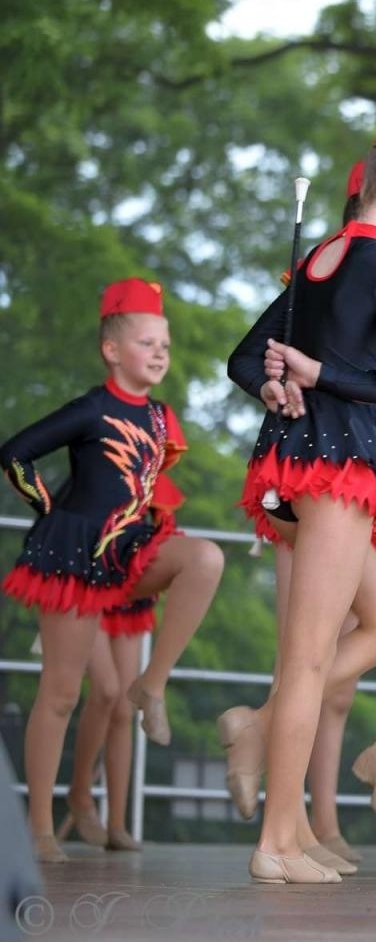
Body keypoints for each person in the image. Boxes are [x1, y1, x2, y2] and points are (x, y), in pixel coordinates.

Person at [225, 107, 376, 883]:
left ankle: (278, 805)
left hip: (294, 460)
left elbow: (242, 359)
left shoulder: (320, 257)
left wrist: (274, 384)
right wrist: (312, 374)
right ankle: (276, 844)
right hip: (340, 466)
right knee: (307, 661)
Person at [2, 278, 220, 864]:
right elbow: (14, 453)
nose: (160, 354)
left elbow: (144, 490)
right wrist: (51, 513)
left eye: (165, 346)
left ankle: (152, 684)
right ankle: (40, 828)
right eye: (147, 343)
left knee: (205, 558)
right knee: (60, 694)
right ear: (112, 350)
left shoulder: (161, 417)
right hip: (75, 557)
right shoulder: (91, 409)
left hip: (128, 549)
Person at [58, 473, 188, 854]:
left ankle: (117, 823)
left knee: (123, 708)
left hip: (127, 591)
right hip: (83, 582)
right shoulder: (95, 463)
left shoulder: (151, 473)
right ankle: (80, 793)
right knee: (107, 689)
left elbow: (164, 528)